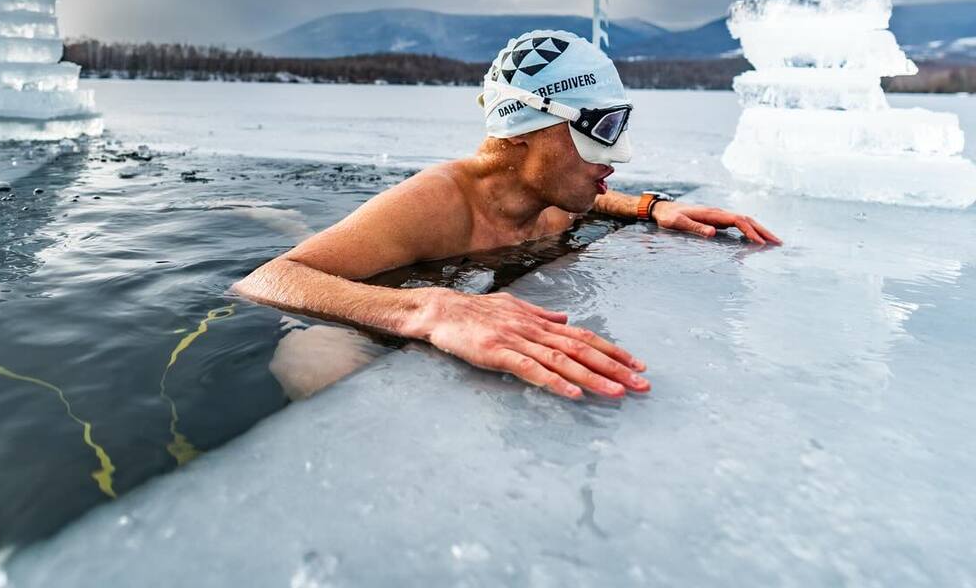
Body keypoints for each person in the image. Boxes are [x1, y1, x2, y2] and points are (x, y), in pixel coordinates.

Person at [234, 30, 781, 401]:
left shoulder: (548, 204)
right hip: (371, 301)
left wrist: (652, 206)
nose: (621, 155)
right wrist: (429, 308)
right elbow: (270, 277)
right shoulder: (438, 202)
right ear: (537, 128)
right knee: (316, 370)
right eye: (604, 129)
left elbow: (588, 198)